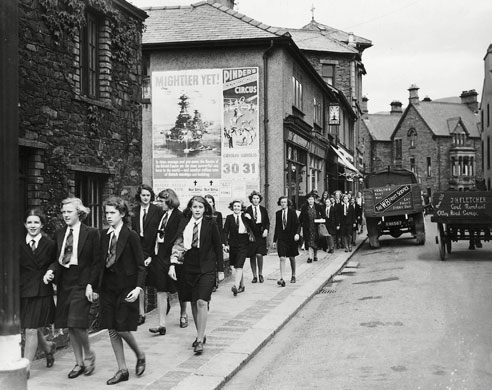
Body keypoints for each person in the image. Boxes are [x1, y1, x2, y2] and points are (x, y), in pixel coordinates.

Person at [43, 197, 100, 379]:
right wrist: (51, 271)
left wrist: (92, 285)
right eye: (64, 212)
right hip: (64, 281)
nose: (65, 215)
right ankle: (79, 363)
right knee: (70, 324)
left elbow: (96, 262)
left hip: (82, 281)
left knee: (78, 322)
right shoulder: (60, 233)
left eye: (69, 211)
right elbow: (55, 259)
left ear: (79, 213)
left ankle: (89, 354)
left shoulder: (91, 233)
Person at [98, 197, 146, 385]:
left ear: (122, 214)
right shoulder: (104, 235)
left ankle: (140, 354)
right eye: (107, 213)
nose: (109, 216)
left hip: (126, 288)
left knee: (122, 327)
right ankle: (122, 369)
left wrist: (138, 287)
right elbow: (98, 263)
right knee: (111, 327)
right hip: (107, 288)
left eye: (113, 213)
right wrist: (92, 286)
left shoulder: (131, 235)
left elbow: (141, 266)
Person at [169, 196, 224, 354]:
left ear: (205, 209)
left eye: (200, 207)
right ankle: (200, 332)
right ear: (190, 208)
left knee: (202, 301)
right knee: (193, 301)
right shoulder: (185, 223)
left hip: (206, 267)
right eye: (195, 207)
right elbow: (178, 245)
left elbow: (217, 247)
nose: (198, 210)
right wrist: (172, 264)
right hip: (188, 266)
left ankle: (199, 340)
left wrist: (220, 270)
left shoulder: (211, 224)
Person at [20, 208, 57, 376]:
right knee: (30, 326)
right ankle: (48, 348)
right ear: (25, 224)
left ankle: (25, 368)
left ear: (42, 224)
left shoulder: (49, 244)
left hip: (42, 290)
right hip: (23, 291)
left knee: (31, 329)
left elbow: (57, 262)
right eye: (29, 222)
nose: (32, 226)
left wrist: (50, 271)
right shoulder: (18, 243)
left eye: (36, 222)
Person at [148, 189, 187, 334]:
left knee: (180, 288)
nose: (159, 204)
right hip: (160, 255)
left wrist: (174, 261)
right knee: (161, 288)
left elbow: (179, 238)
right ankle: (161, 324)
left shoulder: (179, 216)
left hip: (174, 256)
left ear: (169, 200)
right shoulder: (161, 215)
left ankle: (183, 314)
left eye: (161, 201)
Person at [131, 184, 163, 326]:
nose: (145, 198)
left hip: (154, 248)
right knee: (140, 282)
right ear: (140, 196)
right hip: (139, 248)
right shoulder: (134, 211)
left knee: (156, 280)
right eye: (143, 195)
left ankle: (163, 304)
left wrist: (152, 254)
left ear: (151, 197)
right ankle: (141, 313)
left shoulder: (157, 211)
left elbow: (161, 232)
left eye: (148, 195)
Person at [223, 200, 254, 296]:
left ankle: (235, 286)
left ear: (241, 208)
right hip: (233, 243)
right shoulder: (229, 218)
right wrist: (225, 244)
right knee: (235, 265)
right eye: (235, 206)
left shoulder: (245, 217)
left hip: (244, 243)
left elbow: (253, 228)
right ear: (232, 207)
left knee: (239, 265)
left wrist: (250, 219)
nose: (236, 208)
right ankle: (242, 285)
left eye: (238, 206)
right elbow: (225, 231)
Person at [273, 196, 300, 286]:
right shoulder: (278, 213)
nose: (283, 204)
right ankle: (282, 278)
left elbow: (297, 225)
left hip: (291, 238)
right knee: (282, 257)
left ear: (288, 203)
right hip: (281, 238)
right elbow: (277, 227)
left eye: (285, 202)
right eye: (281, 202)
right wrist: (274, 240)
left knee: (292, 257)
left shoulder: (292, 213)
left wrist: (297, 234)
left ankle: (293, 275)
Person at [245, 191, 270, 283]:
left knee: (259, 254)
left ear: (260, 200)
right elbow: (246, 224)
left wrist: (266, 230)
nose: (255, 200)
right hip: (252, 234)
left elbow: (267, 222)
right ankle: (254, 275)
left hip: (260, 233)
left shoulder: (263, 209)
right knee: (252, 255)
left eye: (257, 198)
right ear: (251, 200)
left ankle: (260, 273)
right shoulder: (248, 210)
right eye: (254, 198)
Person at [204, 194, 225, 292]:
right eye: (206, 201)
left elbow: (220, 229)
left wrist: (222, 242)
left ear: (213, 203)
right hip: (205, 242)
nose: (209, 203)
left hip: (215, 241)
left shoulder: (217, 214)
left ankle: (214, 282)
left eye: (210, 201)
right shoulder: (202, 214)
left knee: (214, 262)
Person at [299, 192, 324, 263]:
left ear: (314, 200)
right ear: (307, 200)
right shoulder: (304, 207)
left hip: (316, 227)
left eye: (312, 199)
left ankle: (315, 255)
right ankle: (310, 257)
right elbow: (301, 217)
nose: (310, 201)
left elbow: (323, 215)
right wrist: (299, 225)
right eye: (309, 199)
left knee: (315, 242)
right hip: (308, 227)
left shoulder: (318, 206)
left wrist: (321, 219)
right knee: (309, 242)